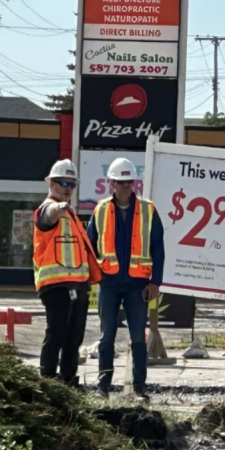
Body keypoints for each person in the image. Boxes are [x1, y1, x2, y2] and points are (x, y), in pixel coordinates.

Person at [86, 157, 165, 401]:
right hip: (108, 283)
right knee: (106, 337)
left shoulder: (148, 210)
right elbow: (90, 246)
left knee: (137, 338)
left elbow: (158, 248)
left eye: (129, 182)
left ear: (134, 183)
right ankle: (103, 388)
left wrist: (155, 282)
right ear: (111, 183)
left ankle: (139, 388)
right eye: (120, 182)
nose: (125, 186)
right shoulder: (100, 210)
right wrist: (93, 276)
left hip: (136, 284)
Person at [33, 159, 100, 386]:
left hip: (78, 285)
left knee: (74, 338)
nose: (68, 188)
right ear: (51, 183)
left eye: (72, 184)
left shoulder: (72, 216)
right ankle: (49, 382)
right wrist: (58, 208)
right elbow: (48, 215)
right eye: (63, 182)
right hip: (56, 286)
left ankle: (69, 382)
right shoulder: (48, 208)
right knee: (57, 335)